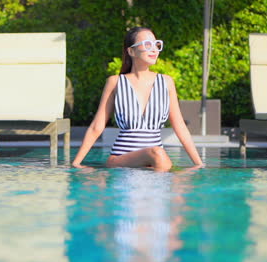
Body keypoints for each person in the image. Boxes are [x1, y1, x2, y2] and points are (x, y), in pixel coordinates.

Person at [72, 27, 203, 171]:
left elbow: (180, 126)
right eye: (147, 44)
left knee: (158, 158)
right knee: (157, 153)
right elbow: (97, 126)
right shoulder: (115, 82)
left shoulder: (166, 82)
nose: (154, 49)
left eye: (156, 45)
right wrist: (76, 164)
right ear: (131, 51)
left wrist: (198, 164)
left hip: (155, 162)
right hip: (122, 159)